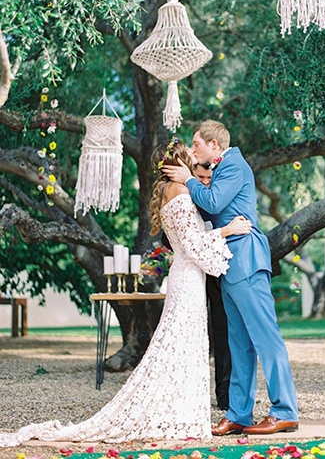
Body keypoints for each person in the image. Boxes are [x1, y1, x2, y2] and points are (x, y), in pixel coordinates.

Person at [0, 138, 252, 447]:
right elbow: (193, 246)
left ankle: (179, 412)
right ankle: (177, 413)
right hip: (187, 281)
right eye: (190, 154)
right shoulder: (182, 195)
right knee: (180, 347)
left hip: (186, 279)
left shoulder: (175, 193)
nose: (195, 157)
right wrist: (229, 230)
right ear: (179, 162)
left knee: (182, 347)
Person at [162, 120, 299, 436]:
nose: (194, 151)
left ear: (214, 144)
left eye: (196, 144)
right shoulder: (220, 170)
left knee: (266, 338)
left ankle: (285, 411)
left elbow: (213, 203)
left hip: (247, 261)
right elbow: (208, 214)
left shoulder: (234, 164)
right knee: (238, 344)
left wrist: (187, 179)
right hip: (228, 266)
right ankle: (238, 413)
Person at [162, 161, 231, 411]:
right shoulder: (183, 198)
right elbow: (169, 238)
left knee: (222, 334)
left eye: (208, 178)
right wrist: (192, 253)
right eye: (200, 177)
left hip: (217, 275)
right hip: (191, 274)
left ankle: (224, 396)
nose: (205, 182)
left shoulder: (217, 199)